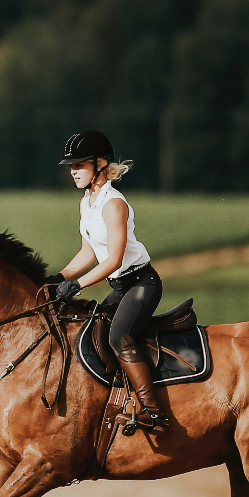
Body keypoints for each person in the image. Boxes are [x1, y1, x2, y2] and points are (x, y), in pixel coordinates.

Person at [45, 130, 168, 431]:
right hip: (120, 286)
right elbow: (89, 250)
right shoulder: (87, 202)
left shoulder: (114, 204)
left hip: (141, 284)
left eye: (79, 165)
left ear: (100, 164)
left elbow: (113, 259)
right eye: (71, 166)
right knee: (90, 328)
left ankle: (154, 412)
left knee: (118, 337)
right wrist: (60, 276)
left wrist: (77, 285)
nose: (73, 171)